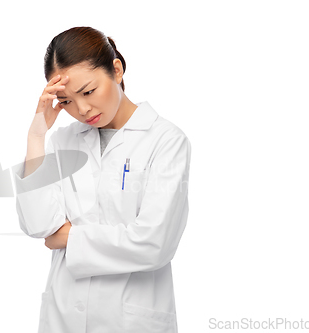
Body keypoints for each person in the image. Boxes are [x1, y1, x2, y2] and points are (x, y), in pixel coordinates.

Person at [13, 26, 191, 333]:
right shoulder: (62, 142)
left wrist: (69, 238)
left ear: (117, 70)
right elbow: (39, 225)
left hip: (132, 320)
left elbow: (153, 243)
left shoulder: (166, 140)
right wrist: (37, 134)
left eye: (88, 91)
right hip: (63, 316)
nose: (82, 109)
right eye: (66, 101)